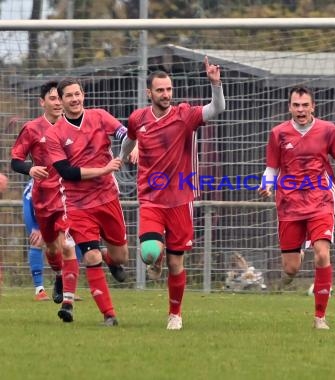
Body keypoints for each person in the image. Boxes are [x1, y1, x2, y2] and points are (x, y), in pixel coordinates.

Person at [119, 57, 226, 330]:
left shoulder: (184, 115)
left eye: (169, 89)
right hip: (151, 198)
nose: (166, 94)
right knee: (149, 252)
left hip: (180, 199)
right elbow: (130, 138)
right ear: (149, 93)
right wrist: (122, 156)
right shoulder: (138, 118)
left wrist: (216, 84)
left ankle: (175, 314)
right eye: (160, 90)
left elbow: (217, 108)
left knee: (176, 263)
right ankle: (156, 257)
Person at [258, 86, 335, 330]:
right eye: (296, 105)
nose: (301, 110)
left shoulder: (329, 131)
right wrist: (267, 184)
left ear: (313, 106)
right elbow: (272, 168)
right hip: (289, 203)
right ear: (289, 107)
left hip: (321, 199)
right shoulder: (278, 133)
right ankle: (298, 255)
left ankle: (320, 317)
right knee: (291, 268)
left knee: (323, 253)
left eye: (305, 105)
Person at [46, 77, 133, 326]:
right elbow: (68, 172)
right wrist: (104, 169)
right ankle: (109, 315)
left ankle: (110, 259)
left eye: (77, 94)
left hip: (107, 198)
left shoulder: (99, 116)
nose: (74, 99)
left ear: (83, 95)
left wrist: (132, 146)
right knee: (91, 257)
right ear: (61, 101)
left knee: (121, 257)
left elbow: (124, 132)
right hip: (78, 204)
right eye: (69, 96)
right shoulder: (55, 134)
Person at [11, 81, 73, 304]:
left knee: (67, 244)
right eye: (53, 98)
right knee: (52, 246)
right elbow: (15, 161)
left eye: (60, 98)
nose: (58, 103)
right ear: (42, 102)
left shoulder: (74, 126)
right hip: (44, 197)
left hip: (69, 195)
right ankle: (56, 276)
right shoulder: (32, 129)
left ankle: (68, 297)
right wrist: (30, 168)